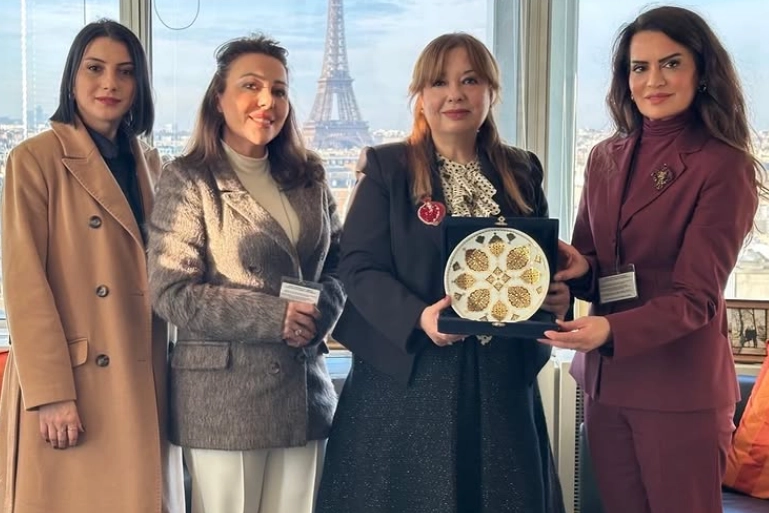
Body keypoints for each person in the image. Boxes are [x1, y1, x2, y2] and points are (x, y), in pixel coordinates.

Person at [316, 32, 567, 513]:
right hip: (409, 379)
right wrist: (419, 316)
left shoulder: (521, 170)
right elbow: (358, 266)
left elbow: (534, 264)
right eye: (439, 82)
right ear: (420, 95)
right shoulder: (388, 168)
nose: (455, 94)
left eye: (470, 80)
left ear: (491, 91)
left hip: (499, 381)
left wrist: (554, 297)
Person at [543, 6, 762, 513]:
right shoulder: (604, 157)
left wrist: (609, 331)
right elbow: (598, 265)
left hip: (679, 388)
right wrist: (581, 270)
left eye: (671, 63)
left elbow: (697, 298)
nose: (653, 80)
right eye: (639, 67)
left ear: (702, 71)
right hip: (606, 384)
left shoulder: (723, 165)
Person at [147, 34, 344, 513]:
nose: (267, 101)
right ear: (219, 98)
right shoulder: (189, 179)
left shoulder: (310, 177)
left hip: (302, 390)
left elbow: (341, 265)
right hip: (224, 399)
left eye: (279, 90)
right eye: (250, 86)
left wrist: (320, 314)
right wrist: (275, 317)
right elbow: (172, 291)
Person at [0, 19, 185, 513]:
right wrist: (51, 394)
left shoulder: (151, 164)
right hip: (74, 382)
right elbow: (24, 284)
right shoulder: (35, 159)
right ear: (72, 78)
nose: (110, 84)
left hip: (140, 370)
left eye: (125, 72)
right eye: (95, 69)